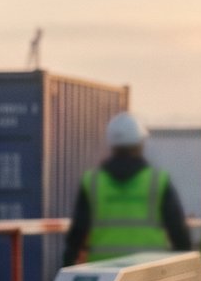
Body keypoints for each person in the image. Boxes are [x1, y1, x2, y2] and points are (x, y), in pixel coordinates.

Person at [61, 111, 192, 266]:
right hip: (149, 272)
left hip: (103, 273)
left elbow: (77, 234)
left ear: (112, 144)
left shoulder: (93, 182)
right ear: (141, 143)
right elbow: (179, 233)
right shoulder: (158, 181)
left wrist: (67, 267)